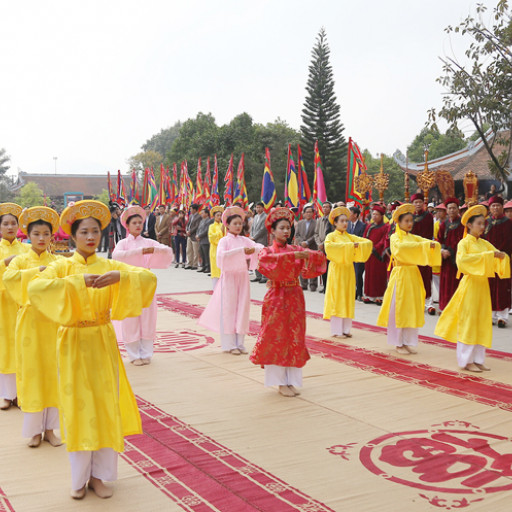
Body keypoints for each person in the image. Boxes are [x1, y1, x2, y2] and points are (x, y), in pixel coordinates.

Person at [27, 200, 156, 500]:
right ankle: (79, 477)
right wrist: (77, 282)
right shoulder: (61, 266)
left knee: (104, 405)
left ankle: (100, 476)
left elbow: (149, 278)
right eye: (83, 232)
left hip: (101, 340)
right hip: (72, 342)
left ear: (102, 234)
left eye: (95, 231)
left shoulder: (109, 265)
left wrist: (122, 277)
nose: (90, 237)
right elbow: (35, 288)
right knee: (77, 408)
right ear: (73, 236)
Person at [250, 208, 326, 397]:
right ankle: (279, 382)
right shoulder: (268, 250)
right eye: (282, 228)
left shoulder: (295, 249)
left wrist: (308, 255)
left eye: (288, 228)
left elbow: (318, 256)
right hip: (276, 296)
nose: (286, 231)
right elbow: (265, 261)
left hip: (295, 296)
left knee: (294, 336)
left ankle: (291, 380)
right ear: (273, 231)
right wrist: (294, 256)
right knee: (276, 336)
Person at [3, 207, 62, 447]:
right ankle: (34, 431)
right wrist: (36, 271)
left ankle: (50, 429)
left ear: (51, 236)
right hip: (29, 322)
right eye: (36, 234)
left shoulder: (57, 261)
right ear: (28, 235)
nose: (41, 238)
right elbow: (8, 279)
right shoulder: (20, 260)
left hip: (52, 322)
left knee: (53, 374)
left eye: (45, 234)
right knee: (32, 375)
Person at [435, 205, 510, 372]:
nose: (482, 227)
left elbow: (498, 256)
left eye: (484, 224)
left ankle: (478, 358)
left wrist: (501, 256)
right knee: (469, 322)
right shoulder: (464, 243)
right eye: (479, 224)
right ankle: (466, 360)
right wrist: (489, 256)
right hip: (470, 285)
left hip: (483, 286)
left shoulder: (484, 243)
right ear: (469, 225)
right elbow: (462, 262)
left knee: (481, 320)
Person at [112, 205, 173, 366]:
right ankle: (133, 355)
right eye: (134, 223)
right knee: (131, 318)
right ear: (127, 225)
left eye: (140, 222)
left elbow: (167, 251)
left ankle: (146, 353)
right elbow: (116, 256)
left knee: (147, 317)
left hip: (146, 283)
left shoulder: (148, 241)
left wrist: (155, 251)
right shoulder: (123, 243)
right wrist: (140, 252)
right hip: (129, 283)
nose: (138, 225)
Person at [377, 203, 441, 355]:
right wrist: (424, 246)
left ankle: (407, 341)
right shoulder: (394, 237)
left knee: (411, 308)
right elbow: (401, 249)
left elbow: (424, 242)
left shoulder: (413, 237)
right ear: (398, 222)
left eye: (411, 221)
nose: (410, 223)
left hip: (412, 275)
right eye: (406, 221)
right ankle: (398, 343)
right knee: (399, 309)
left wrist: (433, 245)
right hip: (401, 275)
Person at [198, 206, 262, 355]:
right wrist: (241, 251)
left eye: (240, 223)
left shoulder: (244, 240)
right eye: (235, 223)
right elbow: (221, 256)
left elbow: (260, 247)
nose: (238, 226)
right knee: (229, 309)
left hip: (242, 277)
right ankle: (230, 344)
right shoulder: (224, 241)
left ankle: (240, 343)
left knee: (242, 309)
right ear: (227, 225)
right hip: (229, 278)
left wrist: (253, 250)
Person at [323, 207, 372, 338]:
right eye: (342, 221)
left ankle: (345, 329)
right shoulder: (331, 236)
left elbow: (365, 242)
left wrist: (361, 245)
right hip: (337, 270)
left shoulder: (349, 236)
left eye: (346, 221)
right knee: (338, 298)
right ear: (335, 223)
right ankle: (336, 331)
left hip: (348, 270)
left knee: (348, 297)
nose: (345, 223)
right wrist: (351, 246)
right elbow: (329, 248)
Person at [0, 203, 30, 410]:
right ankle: (6, 394)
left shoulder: (27, 249)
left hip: (22, 304)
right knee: (5, 348)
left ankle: (21, 393)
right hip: (3, 305)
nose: (10, 227)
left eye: (13, 223)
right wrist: (5, 262)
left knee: (22, 347)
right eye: (6, 224)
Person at [484, 195, 512, 327]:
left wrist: (500, 252)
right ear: (489, 208)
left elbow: (509, 240)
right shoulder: (485, 222)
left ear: (502, 207)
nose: (495, 208)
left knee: (502, 287)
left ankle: (503, 317)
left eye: (498, 205)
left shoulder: (508, 223)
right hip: (489, 259)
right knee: (489, 286)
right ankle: (491, 315)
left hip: (503, 259)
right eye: (493, 206)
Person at [437, 198, 464, 313]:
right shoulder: (444, 224)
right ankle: (444, 307)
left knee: (456, 284)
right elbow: (439, 240)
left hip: (457, 261)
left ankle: (456, 309)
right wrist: (442, 250)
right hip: (445, 260)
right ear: (446, 210)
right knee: (445, 284)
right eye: (449, 208)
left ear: (458, 209)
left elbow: (464, 241)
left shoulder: (463, 224)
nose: (452, 210)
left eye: (454, 208)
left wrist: (452, 253)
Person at [411, 193, 436, 315]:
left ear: (423, 203)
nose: (418, 204)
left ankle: (429, 303)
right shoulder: (409, 217)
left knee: (426, 277)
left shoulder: (428, 216)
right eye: (415, 202)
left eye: (420, 202)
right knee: (414, 277)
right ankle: (416, 302)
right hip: (413, 252)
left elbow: (430, 234)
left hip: (425, 251)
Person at [363, 204, 388, 304]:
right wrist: (366, 246)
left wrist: (375, 247)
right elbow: (365, 237)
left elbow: (384, 239)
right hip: (369, 254)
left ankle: (380, 296)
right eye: (373, 214)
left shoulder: (386, 226)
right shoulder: (369, 226)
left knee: (379, 275)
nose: (374, 216)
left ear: (381, 216)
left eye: (377, 214)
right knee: (369, 275)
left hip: (379, 254)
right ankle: (369, 296)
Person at [295, 205, 318, 291]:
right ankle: (304, 284)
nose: (308, 214)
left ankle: (313, 284)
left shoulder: (316, 223)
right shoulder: (300, 223)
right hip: (302, 247)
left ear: (313, 213)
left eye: (310, 212)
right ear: (303, 214)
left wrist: (308, 242)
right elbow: (297, 235)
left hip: (312, 246)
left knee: (312, 266)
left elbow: (316, 234)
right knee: (303, 265)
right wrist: (302, 242)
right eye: (307, 212)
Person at [347, 206, 367, 301]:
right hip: (349, 253)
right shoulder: (347, 225)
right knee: (350, 273)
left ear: (355, 215)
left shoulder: (363, 226)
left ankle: (359, 293)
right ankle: (352, 292)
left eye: (350, 213)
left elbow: (362, 239)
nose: (348, 215)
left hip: (358, 253)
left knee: (358, 273)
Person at [314, 201, 333, 293]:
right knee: (323, 268)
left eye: (327, 207)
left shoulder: (332, 220)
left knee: (329, 268)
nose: (325, 208)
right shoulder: (319, 220)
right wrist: (319, 243)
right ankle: (325, 287)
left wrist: (324, 243)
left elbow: (332, 234)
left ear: (330, 209)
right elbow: (316, 233)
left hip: (328, 247)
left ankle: (329, 288)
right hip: (320, 248)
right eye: (323, 207)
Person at [250, 202, 268, 283]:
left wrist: (254, 237)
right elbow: (252, 228)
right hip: (254, 241)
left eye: (259, 207)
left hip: (262, 240)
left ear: (263, 208)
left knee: (263, 259)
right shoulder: (255, 216)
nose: (258, 209)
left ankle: (264, 276)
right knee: (255, 258)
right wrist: (251, 236)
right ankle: (258, 276)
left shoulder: (266, 217)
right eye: (257, 207)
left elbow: (263, 229)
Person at [208, 206, 224, 289]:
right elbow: (211, 238)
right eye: (217, 215)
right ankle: (215, 289)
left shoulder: (224, 226)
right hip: (215, 249)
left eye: (220, 215)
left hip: (223, 249)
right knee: (215, 268)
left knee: (222, 268)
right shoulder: (211, 226)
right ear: (214, 216)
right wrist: (220, 232)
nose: (219, 217)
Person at [196, 208, 212, 273]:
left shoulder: (209, 221)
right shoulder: (201, 221)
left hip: (205, 240)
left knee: (206, 255)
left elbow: (206, 230)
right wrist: (197, 235)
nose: (201, 214)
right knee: (202, 254)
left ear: (207, 214)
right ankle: (203, 266)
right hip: (200, 240)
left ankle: (208, 267)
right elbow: (198, 229)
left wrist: (199, 236)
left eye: (202, 213)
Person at [185, 204, 201, 269]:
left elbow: (197, 226)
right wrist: (186, 230)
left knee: (195, 251)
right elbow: (188, 224)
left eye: (191, 209)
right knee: (189, 250)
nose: (190, 210)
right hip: (189, 235)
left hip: (194, 235)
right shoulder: (191, 216)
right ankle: (189, 263)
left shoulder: (199, 217)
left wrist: (190, 231)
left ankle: (195, 265)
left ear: (194, 209)